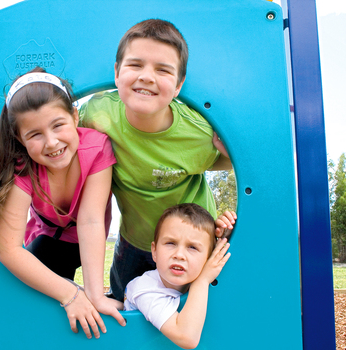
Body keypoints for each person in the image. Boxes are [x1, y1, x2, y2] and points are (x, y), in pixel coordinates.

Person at [79, 19, 232, 301]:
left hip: (191, 242)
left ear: (179, 85)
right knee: (123, 299)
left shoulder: (197, 133)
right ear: (116, 72)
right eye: (135, 65)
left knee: (192, 308)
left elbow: (233, 162)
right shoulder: (96, 115)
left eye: (163, 70)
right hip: (134, 240)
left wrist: (229, 150)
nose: (147, 76)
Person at [0, 67, 125, 339]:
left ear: (75, 116)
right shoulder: (22, 169)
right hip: (50, 238)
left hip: (89, 234)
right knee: (40, 305)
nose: (51, 142)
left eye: (58, 125)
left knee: (101, 300)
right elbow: (8, 250)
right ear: (19, 138)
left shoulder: (97, 147)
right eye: (35, 134)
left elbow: (90, 220)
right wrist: (70, 294)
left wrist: (94, 294)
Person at [124, 204, 234, 349]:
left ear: (209, 258)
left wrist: (226, 234)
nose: (179, 255)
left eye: (192, 247)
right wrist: (202, 281)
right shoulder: (145, 288)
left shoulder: (191, 274)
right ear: (154, 251)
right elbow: (187, 338)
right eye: (170, 243)